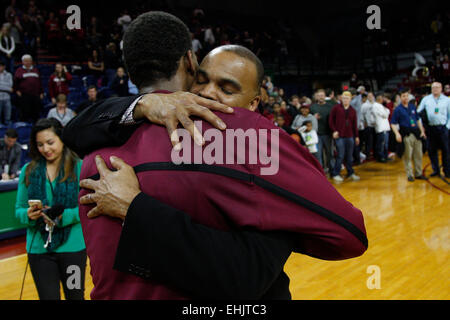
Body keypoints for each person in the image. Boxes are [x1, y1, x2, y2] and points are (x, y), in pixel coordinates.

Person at [63, 12, 367, 300]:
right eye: (203, 81)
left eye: (226, 88)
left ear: (255, 102)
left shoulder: (94, 149)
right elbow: (348, 233)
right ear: (191, 62)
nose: (207, 94)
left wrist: (137, 209)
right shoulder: (245, 141)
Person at [15, 118, 86, 300]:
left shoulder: (79, 167)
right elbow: (19, 209)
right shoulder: (28, 170)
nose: (45, 149)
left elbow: (87, 207)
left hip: (73, 248)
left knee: (75, 296)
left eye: (50, 142)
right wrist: (29, 215)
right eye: (40, 144)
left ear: (62, 139)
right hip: (39, 251)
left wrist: (65, 217)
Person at [391, 89, 427, 182]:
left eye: (407, 96)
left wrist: (422, 130)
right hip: (406, 134)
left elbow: (418, 119)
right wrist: (397, 134)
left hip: (416, 133)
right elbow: (393, 123)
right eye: (403, 96)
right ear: (400, 97)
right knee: (407, 155)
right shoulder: (398, 110)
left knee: (418, 154)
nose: (405, 98)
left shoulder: (412, 106)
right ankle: (410, 174)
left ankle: (418, 173)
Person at [417, 82, 450, 178]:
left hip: (443, 127)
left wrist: (447, 127)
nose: (435, 89)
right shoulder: (426, 99)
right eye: (433, 87)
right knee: (431, 150)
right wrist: (422, 126)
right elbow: (418, 112)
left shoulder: (447, 100)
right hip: (430, 128)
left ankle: (447, 170)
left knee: (446, 150)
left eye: (437, 87)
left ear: (441, 89)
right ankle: (436, 170)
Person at [329, 91, 360, 182]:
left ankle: (350, 173)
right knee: (340, 155)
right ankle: (336, 173)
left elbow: (355, 124)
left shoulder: (353, 110)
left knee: (349, 156)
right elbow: (331, 121)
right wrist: (334, 131)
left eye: (347, 98)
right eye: (343, 98)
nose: (345, 100)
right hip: (339, 136)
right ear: (341, 99)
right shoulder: (336, 108)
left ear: (350, 99)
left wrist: (357, 136)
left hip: (350, 136)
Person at [14, 54, 43, 123]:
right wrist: (17, 90)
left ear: (31, 61)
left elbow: (39, 82)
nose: (27, 62)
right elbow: (15, 82)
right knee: (24, 114)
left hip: (35, 95)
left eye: (29, 61)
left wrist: (41, 92)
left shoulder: (35, 70)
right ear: (23, 62)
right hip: (24, 96)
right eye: (26, 61)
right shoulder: (19, 70)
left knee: (36, 114)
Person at [310, 89, 333, 171]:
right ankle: (321, 171)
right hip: (317, 134)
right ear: (316, 97)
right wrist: (313, 118)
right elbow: (308, 119)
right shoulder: (312, 107)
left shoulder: (330, 107)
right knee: (318, 154)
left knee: (329, 153)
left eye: (322, 95)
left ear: (325, 96)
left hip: (328, 133)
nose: (321, 97)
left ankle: (332, 170)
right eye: (319, 96)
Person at [372, 94, 391, 162]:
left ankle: (385, 156)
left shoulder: (381, 106)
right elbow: (385, 114)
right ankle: (381, 157)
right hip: (381, 127)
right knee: (381, 143)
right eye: (381, 98)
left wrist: (386, 111)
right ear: (378, 99)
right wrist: (386, 111)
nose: (383, 99)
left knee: (385, 143)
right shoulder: (375, 106)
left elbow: (388, 111)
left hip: (385, 127)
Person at [361, 92, 377, 159]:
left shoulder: (376, 104)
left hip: (376, 125)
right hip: (368, 126)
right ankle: (367, 154)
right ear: (367, 97)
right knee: (368, 141)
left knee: (375, 141)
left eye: (371, 96)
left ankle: (375, 154)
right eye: (369, 96)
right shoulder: (364, 105)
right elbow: (361, 115)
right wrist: (364, 122)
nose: (370, 97)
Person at [0, 60, 13, 125]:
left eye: (1, 66)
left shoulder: (8, 75)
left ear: (4, 67)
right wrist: (7, 88)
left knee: (8, 118)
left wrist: (1, 86)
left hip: (7, 98)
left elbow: (10, 85)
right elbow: (9, 88)